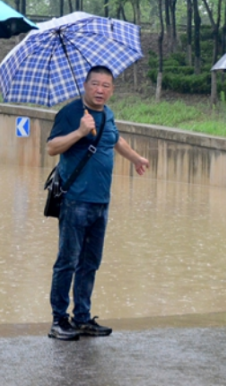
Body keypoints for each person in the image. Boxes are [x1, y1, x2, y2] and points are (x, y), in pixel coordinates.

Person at [46, 66, 150, 341]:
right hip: (75, 199)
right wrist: (79, 132)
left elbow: (115, 139)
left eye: (106, 85)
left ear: (112, 89)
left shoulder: (108, 114)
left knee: (90, 262)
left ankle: (82, 317)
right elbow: (52, 147)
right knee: (67, 261)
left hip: (101, 202)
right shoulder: (71, 113)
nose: (100, 90)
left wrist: (137, 158)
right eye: (95, 84)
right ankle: (58, 319)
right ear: (85, 85)